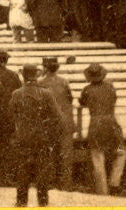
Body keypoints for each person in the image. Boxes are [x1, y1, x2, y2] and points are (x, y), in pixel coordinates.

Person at [9, 64, 60, 207]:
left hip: (23, 136)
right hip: (41, 137)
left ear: (23, 76)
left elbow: (10, 116)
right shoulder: (46, 93)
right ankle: (43, 202)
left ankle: (21, 202)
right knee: (42, 171)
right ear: (36, 75)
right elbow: (56, 117)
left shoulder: (17, 94)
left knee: (23, 171)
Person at [79, 63, 126, 196]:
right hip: (112, 124)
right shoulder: (110, 87)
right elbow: (114, 100)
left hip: (96, 125)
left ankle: (103, 191)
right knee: (121, 152)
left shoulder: (86, 90)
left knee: (97, 156)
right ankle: (115, 183)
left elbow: (82, 102)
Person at [38, 56, 75, 191]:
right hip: (65, 122)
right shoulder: (64, 82)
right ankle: (66, 185)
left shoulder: (40, 83)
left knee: (50, 154)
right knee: (66, 154)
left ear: (45, 68)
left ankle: (51, 182)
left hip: (50, 123)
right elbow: (70, 99)